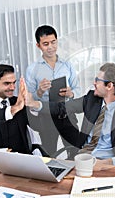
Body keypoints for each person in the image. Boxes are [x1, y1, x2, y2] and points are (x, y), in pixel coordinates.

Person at [26, 63, 115, 167]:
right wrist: (35, 104)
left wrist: (107, 163)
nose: (94, 83)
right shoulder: (91, 98)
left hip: (108, 162)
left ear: (109, 86)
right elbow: (62, 108)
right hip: (83, 158)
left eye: (97, 80)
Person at [25, 25, 81, 156]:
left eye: (53, 42)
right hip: (46, 115)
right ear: (38, 45)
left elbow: (77, 89)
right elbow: (29, 99)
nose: (50, 47)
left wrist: (71, 93)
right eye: (45, 44)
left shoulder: (68, 65)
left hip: (67, 113)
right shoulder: (32, 69)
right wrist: (39, 91)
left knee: (76, 151)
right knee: (49, 153)